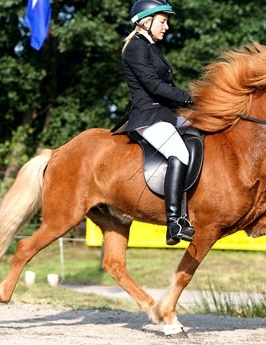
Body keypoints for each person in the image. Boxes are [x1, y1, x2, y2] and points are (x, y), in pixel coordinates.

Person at [119, 0, 195, 246]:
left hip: (165, 113)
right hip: (148, 116)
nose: (167, 26)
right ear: (145, 21)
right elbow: (153, 86)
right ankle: (174, 221)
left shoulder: (150, 46)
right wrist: (187, 97)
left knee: (203, 131)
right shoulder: (136, 48)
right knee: (179, 153)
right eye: (163, 21)